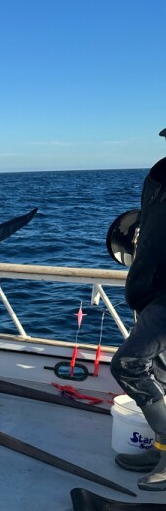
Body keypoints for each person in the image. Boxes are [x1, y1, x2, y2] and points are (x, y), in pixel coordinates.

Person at [111, 155, 166, 490]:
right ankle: (161, 451)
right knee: (161, 374)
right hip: (149, 288)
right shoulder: (156, 176)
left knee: (129, 364)